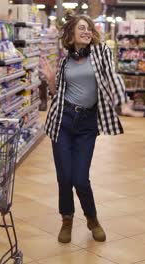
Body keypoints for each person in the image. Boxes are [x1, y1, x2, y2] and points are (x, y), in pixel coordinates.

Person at [39, 12, 128, 243]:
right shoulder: (64, 60)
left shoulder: (101, 52)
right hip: (63, 121)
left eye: (89, 27)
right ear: (71, 34)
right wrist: (50, 79)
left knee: (80, 178)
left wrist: (122, 100)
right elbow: (57, 92)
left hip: (87, 124)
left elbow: (111, 75)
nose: (87, 31)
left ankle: (92, 218)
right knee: (64, 177)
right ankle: (66, 219)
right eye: (82, 27)